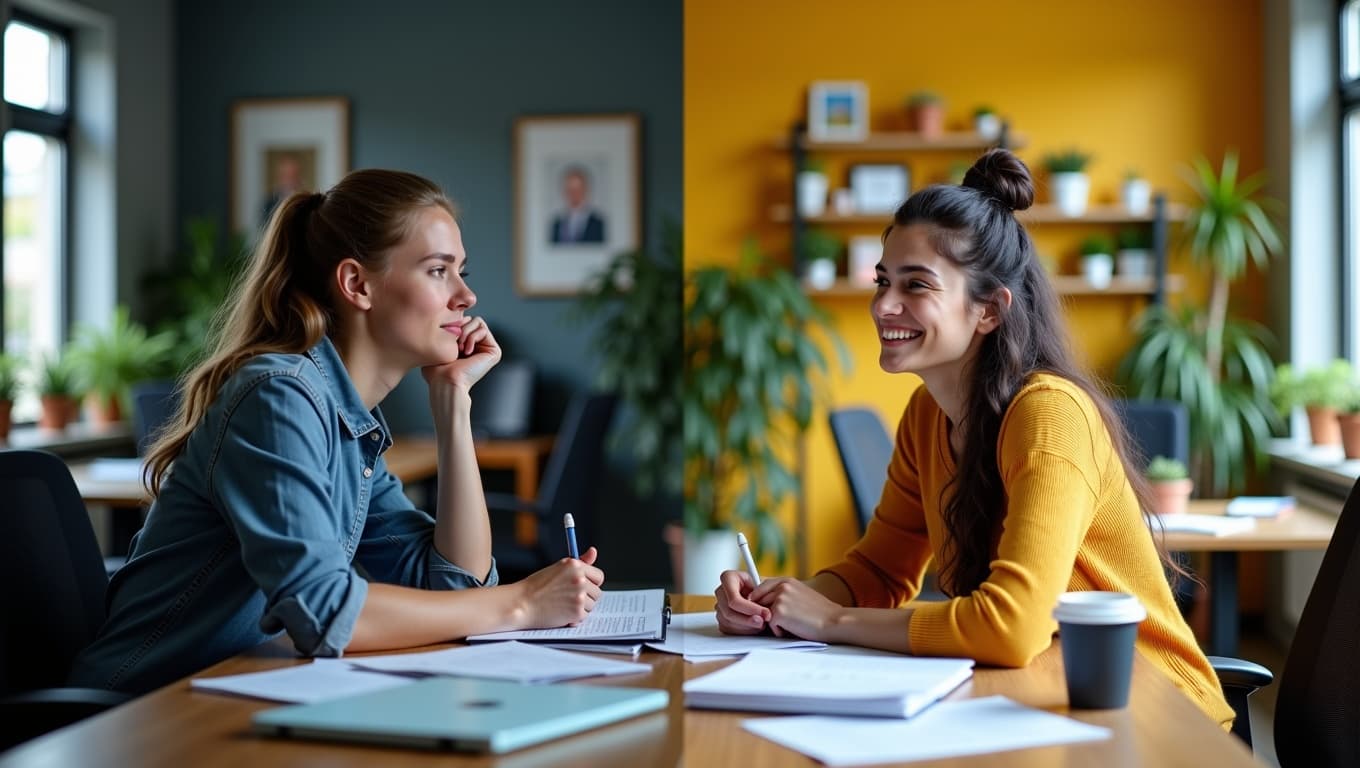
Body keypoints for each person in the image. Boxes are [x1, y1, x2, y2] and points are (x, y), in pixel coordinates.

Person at [714, 148, 1235, 729]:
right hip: (1037, 698)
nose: (884, 305)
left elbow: (1011, 628)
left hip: (1155, 713)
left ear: (989, 310)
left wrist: (828, 621)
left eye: (916, 285)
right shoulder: (925, 415)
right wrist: (778, 603)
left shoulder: (1049, 416)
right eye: (884, 280)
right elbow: (881, 573)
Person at [70, 169, 604, 695]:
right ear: (357, 284)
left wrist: (453, 406)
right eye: (439, 271)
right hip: (141, 711)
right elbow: (323, 612)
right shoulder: (279, 395)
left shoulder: (347, 421)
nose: (466, 296)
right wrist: (521, 604)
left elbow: (455, 584)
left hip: (227, 693)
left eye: (461, 271)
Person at [549, 165, 606, 244]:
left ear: (586, 190)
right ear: (564, 192)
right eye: (570, 190)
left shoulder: (598, 223)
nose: (573, 194)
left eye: (578, 189)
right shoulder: (556, 224)